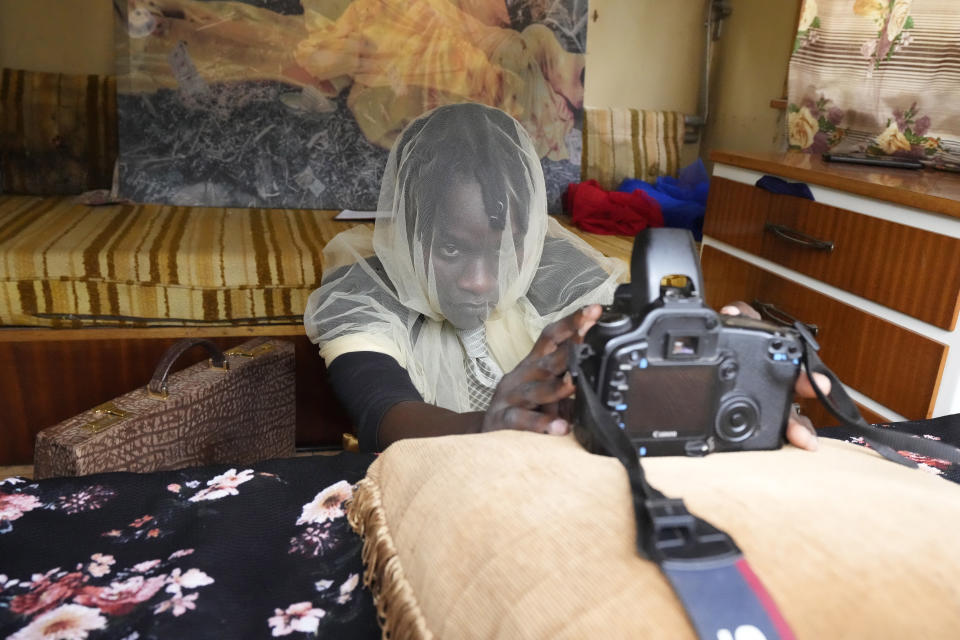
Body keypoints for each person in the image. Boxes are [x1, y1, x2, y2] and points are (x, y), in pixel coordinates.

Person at [304, 103, 826, 452]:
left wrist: (718, 367)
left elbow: (635, 336)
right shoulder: (365, 291)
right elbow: (381, 411)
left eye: (503, 251)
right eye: (449, 248)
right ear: (408, 228)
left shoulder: (552, 269)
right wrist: (484, 427)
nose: (483, 282)